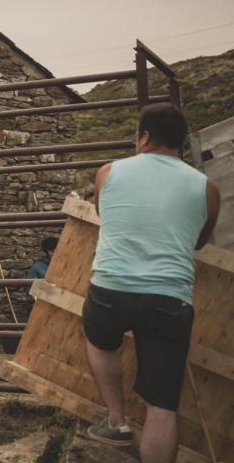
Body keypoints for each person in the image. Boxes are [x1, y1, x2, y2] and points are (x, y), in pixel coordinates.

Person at [82, 103, 220, 463]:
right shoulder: (207, 188)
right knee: (163, 405)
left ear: (144, 135)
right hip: (169, 298)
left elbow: (103, 213)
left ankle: (116, 420)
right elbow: (200, 241)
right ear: (180, 140)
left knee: (99, 341)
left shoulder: (108, 173)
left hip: (111, 288)